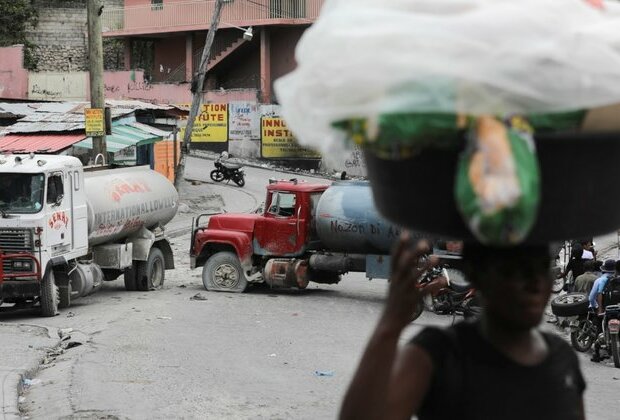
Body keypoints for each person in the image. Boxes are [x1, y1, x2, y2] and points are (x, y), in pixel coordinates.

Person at [340, 233, 585, 420]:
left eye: (542, 268)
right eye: (517, 270)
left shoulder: (563, 359)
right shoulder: (438, 354)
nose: (535, 283)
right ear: (477, 273)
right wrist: (389, 326)